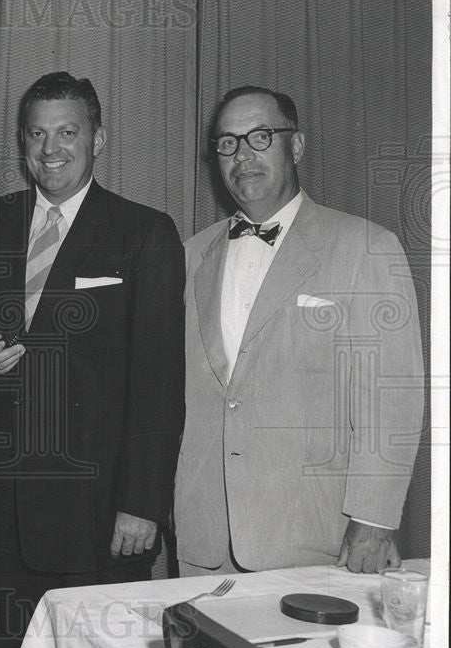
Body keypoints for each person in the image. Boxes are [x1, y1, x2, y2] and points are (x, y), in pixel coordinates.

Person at [0, 72, 186, 648]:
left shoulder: (144, 232)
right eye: (36, 133)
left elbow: (160, 381)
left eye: (67, 132)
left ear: (97, 139)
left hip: (102, 515)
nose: (50, 149)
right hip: (7, 511)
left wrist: (143, 502)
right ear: (21, 142)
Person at [175, 85, 425, 576]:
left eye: (260, 137)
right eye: (227, 143)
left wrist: (373, 522)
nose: (242, 155)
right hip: (204, 541)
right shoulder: (187, 257)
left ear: (297, 146)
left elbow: (390, 400)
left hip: (316, 540)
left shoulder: (365, 247)